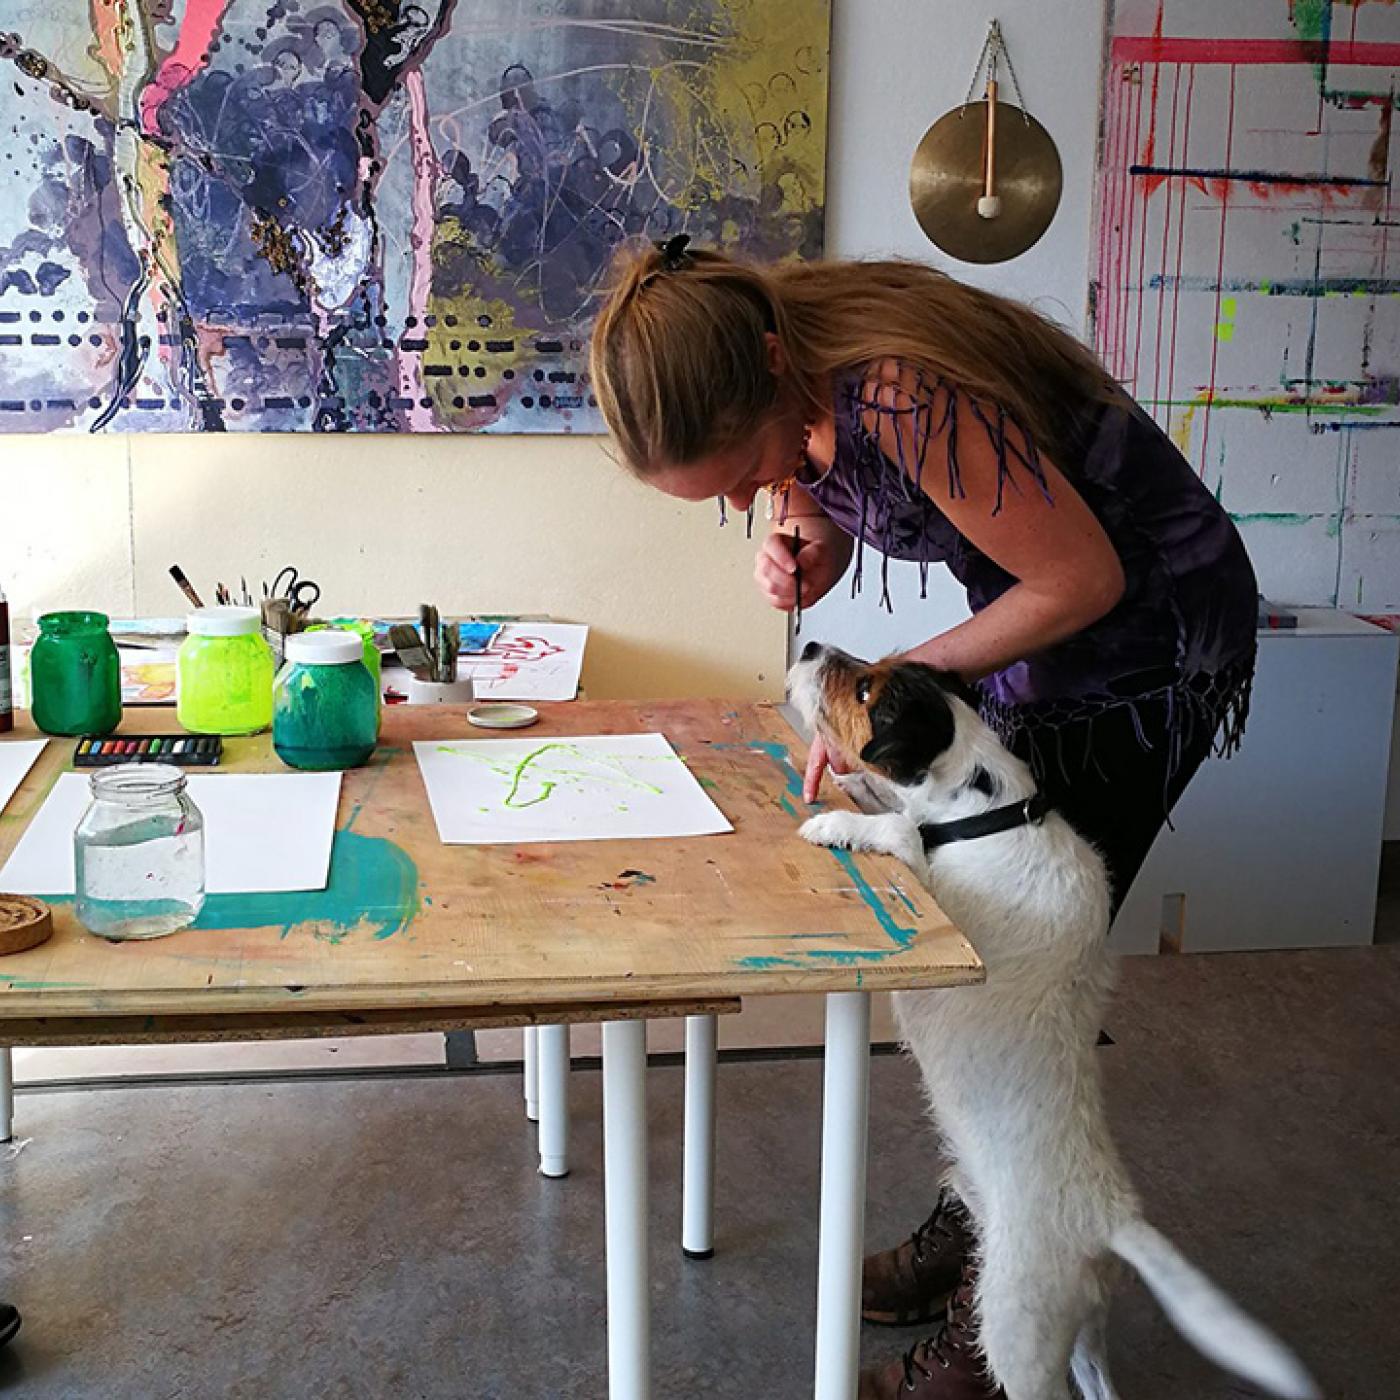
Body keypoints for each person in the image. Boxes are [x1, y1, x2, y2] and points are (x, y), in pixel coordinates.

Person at [589, 235, 1257, 1398]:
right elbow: (832, 471)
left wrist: (892, 683)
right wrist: (807, 526)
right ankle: (975, 1229)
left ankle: (1005, 1331)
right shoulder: (791, 364)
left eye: (740, 477)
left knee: (1015, 993)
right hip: (1050, 636)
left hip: (1141, 641)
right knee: (988, 977)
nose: (747, 502)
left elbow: (1080, 579)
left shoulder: (900, 390)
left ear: (764, 370)